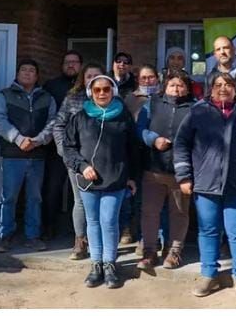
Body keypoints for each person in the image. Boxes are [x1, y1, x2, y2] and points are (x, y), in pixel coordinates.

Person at [173, 72, 236, 302]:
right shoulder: (198, 112)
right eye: (217, 85)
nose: (223, 88)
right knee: (208, 231)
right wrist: (184, 176)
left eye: (228, 84)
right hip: (206, 185)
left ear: (235, 88)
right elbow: (181, 144)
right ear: (210, 89)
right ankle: (209, 274)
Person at [63, 75, 139, 289]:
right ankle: (96, 264)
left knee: (109, 221)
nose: (102, 93)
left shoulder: (124, 117)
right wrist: (82, 166)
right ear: (90, 93)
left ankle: (109, 264)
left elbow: (133, 149)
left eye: (106, 89)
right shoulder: (80, 117)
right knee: (93, 221)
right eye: (97, 90)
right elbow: (69, 147)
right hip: (88, 180)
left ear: (113, 91)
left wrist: (132, 176)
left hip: (115, 179)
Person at [0, 59, 57, 253]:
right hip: (13, 155)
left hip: (37, 155)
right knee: (9, 197)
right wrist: (19, 139)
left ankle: (33, 236)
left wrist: (38, 140)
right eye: (24, 70)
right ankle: (5, 236)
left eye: (31, 71)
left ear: (37, 76)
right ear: (17, 74)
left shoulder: (47, 97)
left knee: (34, 198)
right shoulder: (5, 95)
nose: (27, 73)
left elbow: (53, 122)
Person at [136, 70, 195, 271]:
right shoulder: (152, 104)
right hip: (153, 169)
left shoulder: (194, 109)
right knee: (149, 212)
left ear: (187, 88)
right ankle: (149, 252)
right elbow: (139, 129)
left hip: (181, 173)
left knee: (179, 213)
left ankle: (174, 251)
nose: (176, 89)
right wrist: (154, 140)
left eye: (180, 85)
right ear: (165, 86)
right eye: (172, 85)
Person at [51, 62, 105, 260]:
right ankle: (80, 241)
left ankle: (100, 242)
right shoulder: (73, 98)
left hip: (104, 161)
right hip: (77, 159)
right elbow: (59, 125)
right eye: (88, 75)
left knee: (103, 202)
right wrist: (64, 152)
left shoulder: (110, 98)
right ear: (83, 78)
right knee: (80, 201)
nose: (92, 79)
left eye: (96, 75)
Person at [41, 50, 84, 240]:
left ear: (80, 65)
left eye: (75, 62)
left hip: (83, 148)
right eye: (67, 62)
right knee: (53, 188)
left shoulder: (87, 87)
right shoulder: (51, 86)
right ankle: (49, 227)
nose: (71, 65)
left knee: (81, 193)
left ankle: (79, 233)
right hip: (56, 147)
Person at [120, 64, 160, 245]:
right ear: (138, 80)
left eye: (150, 77)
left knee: (153, 198)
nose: (147, 80)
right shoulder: (130, 99)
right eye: (143, 78)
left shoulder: (163, 97)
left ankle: (150, 237)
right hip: (135, 151)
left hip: (158, 153)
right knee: (134, 194)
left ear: (157, 78)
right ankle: (130, 229)